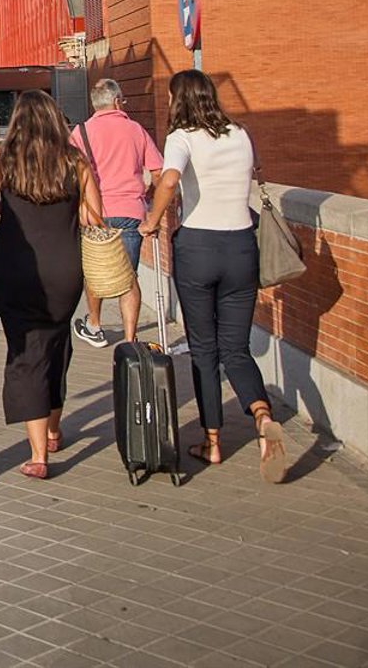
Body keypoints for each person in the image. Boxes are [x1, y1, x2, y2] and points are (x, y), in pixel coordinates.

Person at [141, 69, 287, 482]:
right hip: (242, 247)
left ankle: (212, 442)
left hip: (199, 248)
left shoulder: (182, 136)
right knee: (236, 348)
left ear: (179, 99)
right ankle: (261, 414)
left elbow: (169, 179)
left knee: (204, 350)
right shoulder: (239, 133)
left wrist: (153, 218)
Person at [0, 90, 103, 479]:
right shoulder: (75, 161)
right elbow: (93, 218)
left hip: (17, 270)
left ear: (18, 121)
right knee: (56, 343)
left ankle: (39, 455)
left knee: (27, 353)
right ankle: (54, 427)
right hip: (66, 269)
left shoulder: (4, 162)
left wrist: (2, 201)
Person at [69, 78, 163, 346]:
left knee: (95, 271)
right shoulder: (136, 130)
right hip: (130, 210)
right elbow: (158, 172)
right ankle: (130, 338)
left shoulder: (80, 132)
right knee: (128, 277)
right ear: (118, 101)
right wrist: (149, 198)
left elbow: (71, 174)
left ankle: (95, 325)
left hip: (94, 214)